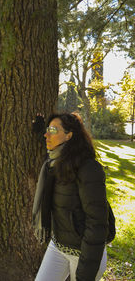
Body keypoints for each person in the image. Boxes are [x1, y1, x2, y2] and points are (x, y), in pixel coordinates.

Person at [32, 112, 115, 281]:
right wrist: (41, 129)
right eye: (47, 130)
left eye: (53, 130)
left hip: (84, 253)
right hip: (58, 246)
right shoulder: (55, 161)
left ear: (69, 136)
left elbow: (97, 224)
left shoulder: (88, 169)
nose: (46, 135)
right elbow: (50, 142)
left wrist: (85, 273)